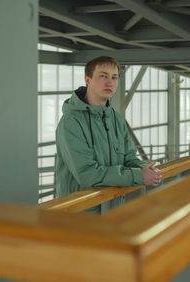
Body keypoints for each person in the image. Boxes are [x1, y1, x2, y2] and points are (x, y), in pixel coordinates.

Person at [55, 56, 162, 213]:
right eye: (103, 76)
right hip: (81, 215)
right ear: (88, 79)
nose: (110, 82)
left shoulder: (115, 118)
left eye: (114, 77)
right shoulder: (71, 122)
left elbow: (129, 158)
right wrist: (139, 176)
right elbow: (87, 175)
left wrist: (146, 169)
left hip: (113, 208)